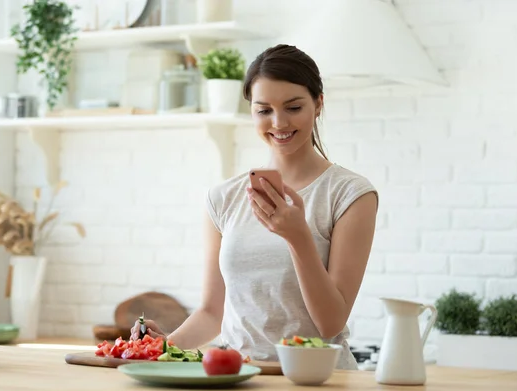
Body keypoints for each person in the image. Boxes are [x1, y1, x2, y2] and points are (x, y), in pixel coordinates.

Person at [130, 44, 379, 370]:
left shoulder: (350, 194)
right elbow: (211, 313)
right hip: (236, 377)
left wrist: (298, 237)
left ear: (318, 104)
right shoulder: (223, 198)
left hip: (317, 382)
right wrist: (163, 345)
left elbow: (331, 323)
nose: (279, 122)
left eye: (293, 107)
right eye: (264, 110)